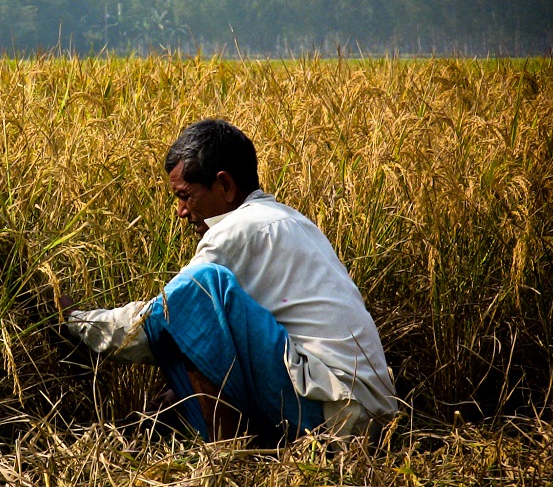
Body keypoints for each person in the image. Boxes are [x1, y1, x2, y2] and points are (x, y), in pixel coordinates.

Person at [59, 119, 398, 444]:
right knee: (200, 318)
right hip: (367, 415)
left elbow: (156, 321)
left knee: (202, 287)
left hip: (332, 413)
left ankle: (227, 454)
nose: (180, 210)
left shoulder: (237, 229)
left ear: (225, 186)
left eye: (185, 195)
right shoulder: (289, 220)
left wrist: (79, 321)